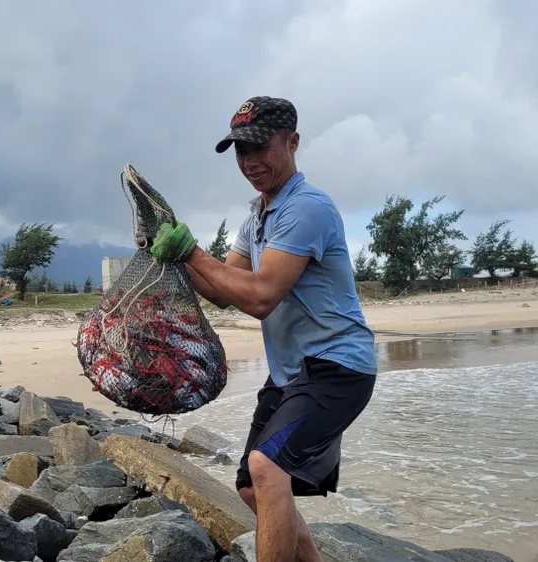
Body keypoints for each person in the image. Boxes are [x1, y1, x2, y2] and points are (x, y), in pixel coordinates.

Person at [148, 96, 378, 562]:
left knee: (267, 467)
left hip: (338, 366)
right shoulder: (257, 216)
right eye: (241, 151)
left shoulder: (307, 208)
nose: (249, 162)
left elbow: (261, 296)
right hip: (293, 372)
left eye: (260, 148)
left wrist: (192, 251)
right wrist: (174, 256)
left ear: (292, 142)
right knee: (253, 487)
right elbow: (221, 290)